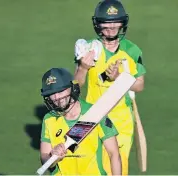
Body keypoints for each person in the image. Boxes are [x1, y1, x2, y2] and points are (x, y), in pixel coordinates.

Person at [74, 0, 146, 175]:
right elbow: (75, 87)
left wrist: (119, 78)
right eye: (106, 22)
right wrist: (83, 68)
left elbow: (139, 85)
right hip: (91, 117)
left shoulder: (132, 50)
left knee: (116, 169)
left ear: (123, 22)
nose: (111, 26)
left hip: (121, 122)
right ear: (97, 23)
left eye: (116, 21)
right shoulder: (88, 48)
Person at [40, 67, 122, 175]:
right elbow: (45, 158)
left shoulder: (95, 112)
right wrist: (53, 156)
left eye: (60, 91)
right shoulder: (48, 119)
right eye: (52, 93)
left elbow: (114, 154)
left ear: (72, 88)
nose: (56, 97)